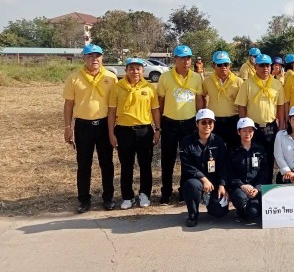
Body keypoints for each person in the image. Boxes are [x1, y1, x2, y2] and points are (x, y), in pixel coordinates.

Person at [63, 43, 118, 213]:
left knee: (106, 163)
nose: (94, 59)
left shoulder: (111, 77)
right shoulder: (74, 78)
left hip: (104, 125)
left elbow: (115, 105)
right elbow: (68, 104)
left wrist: (113, 129)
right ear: (84, 58)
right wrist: (67, 127)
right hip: (83, 126)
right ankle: (84, 199)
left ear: (102, 57)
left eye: (97, 56)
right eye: (90, 56)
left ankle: (108, 197)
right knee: (84, 164)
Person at [107, 57, 161, 209]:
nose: (135, 71)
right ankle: (127, 196)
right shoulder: (117, 87)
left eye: (138, 69)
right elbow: (111, 112)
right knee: (126, 165)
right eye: (131, 68)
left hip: (144, 131)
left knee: (145, 165)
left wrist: (158, 129)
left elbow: (155, 110)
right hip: (124, 131)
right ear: (126, 70)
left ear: (143, 71)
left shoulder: (149, 88)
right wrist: (111, 133)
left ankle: (145, 194)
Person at [157, 45, 204, 204]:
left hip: (189, 123)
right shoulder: (165, 77)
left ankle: (184, 191)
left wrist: (200, 119)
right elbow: (161, 100)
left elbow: (199, 99)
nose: (186, 61)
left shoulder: (196, 77)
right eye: (182, 58)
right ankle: (166, 191)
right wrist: (160, 123)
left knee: (187, 158)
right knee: (168, 159)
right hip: (170, 123)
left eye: (188, 58)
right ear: (175, 59)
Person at [235, 53, 286, 175]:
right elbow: (241, 105)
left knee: (269, 157)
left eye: (268, 65)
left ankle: (267, 183)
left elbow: (280, 105)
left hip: (270, 127)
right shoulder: (247, 84)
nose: (265, 68)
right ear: (255, 67)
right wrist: (244, 126)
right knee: (253, 157)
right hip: (253, 128)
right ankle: (254, 182)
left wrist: (281, 125)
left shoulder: (277, 84)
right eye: (262, 65)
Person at [180, 109, 229, 227]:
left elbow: (223, 165)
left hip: (214, 183)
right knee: (192, 186)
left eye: (210, 122)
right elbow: (187, 165)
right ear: (197, 124)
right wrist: (203, 179)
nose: (207, 125)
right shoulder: (187, 141)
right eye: (203, 122)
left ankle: (210, 203)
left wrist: (222, 185)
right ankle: (193, 214)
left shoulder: (218, 141)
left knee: (220, 212)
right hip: (195, 180)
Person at [228, 117, 270, 223]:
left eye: (250, 131)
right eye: (244, 131)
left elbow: (264, 171)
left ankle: (250, 209)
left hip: (255, 187)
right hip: (240, 187)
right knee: (239, 197)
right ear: (238, 132)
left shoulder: (260, 149)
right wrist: (242, 185)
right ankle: (240, 210)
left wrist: (257, 188)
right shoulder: (232, 151)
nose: (248, 134)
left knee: (252, 213)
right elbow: (230, 172)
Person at [203, 51, 244, 148]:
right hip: (214, 121)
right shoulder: (207, 81)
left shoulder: (238, 81)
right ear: (213, 66)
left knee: (234, 148)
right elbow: (202, 96)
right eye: (220, 65)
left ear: (230, 65)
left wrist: (242, 121)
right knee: (215, 148)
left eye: (226, 64)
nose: (223, 67)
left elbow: (243, 103)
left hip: (233, 120)